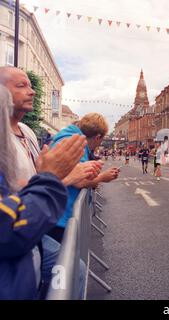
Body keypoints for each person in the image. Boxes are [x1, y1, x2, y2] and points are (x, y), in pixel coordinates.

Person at [0, 84, 88, 299]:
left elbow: (19, 187)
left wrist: (49, 176)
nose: (33, 91)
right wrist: (52, 178)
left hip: (31, 230)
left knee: (75, 270)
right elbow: (9, 229)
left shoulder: (27, 132)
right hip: (23, 238)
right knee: (71, 271)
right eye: (21, 85)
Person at [47, 113, 119, 243]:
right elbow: (78, 180)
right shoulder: (75, 143)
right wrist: (103, 177)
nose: (98, 145)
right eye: (100, 141)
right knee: (66, 260)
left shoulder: (70, 136)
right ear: (97, 137)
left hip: (55, 212)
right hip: (59, 217)